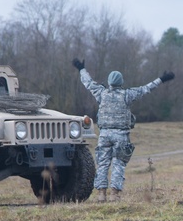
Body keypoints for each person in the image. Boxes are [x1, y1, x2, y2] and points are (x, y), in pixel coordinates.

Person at [73, 58, 175, 201]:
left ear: (109, 82)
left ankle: (101, 194)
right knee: (118, 164)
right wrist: (161, 79)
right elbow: (146, 88)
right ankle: (114, 194)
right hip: (121, 135)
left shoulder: (101, 93)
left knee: (102, 164)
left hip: (104, 134)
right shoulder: (127, 95)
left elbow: (88, 83)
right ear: (121, 82)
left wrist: (81, 69)